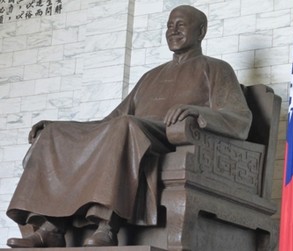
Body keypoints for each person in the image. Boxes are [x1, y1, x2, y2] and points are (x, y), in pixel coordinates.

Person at [5, 5, 252, 248]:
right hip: (130, 131)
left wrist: (198, 111)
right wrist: (59, 126)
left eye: (180, 25)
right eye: (169, 26)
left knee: (125, 126)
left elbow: (240, 118)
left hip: (169, 135)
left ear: (201, 31)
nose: (173, 31)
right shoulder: (150, 76)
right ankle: (50, 228)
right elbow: (109, 121)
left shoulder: (216, 69)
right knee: (55, 134)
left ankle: (107, 227)